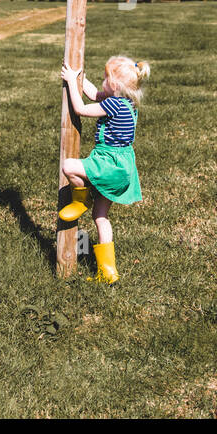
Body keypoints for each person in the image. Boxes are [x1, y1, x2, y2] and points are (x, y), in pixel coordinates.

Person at [58, 55, 151, 283]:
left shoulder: (112, 104)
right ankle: (108, 272)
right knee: (101, 217)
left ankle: (81, 199)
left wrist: (71, 81)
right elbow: (93, 94)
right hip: (123, 168)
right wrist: (81, 79)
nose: (102, 82)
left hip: (108, 163)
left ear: (115, 85)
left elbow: (79, 108)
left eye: (104, 78)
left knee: (69, 166)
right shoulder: (127, 103)